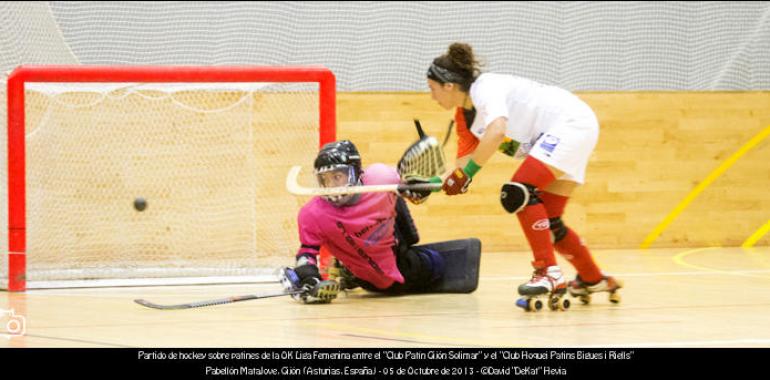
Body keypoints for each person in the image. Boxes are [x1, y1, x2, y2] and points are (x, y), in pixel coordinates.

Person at [425, 42, 622, 307]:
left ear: (448, 86)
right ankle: (592, 277)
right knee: (549, 219)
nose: (432, 96)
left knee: (518, 191)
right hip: (566, 131)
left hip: (570, 123)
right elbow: (461, 170)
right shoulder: (464, 119)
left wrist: (467, 174)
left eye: (432, 89)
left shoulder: (485, 87)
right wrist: (430, 186)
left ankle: (547, 273)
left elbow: (496, 131)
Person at [281, 140, 446, 304]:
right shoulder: (312, 214)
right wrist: (310, 278)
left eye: (337, 177)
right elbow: (306, 254)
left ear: (356, 172)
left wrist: (418, 190)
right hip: (369, 278)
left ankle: (349, 268)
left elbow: (418, 189)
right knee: (435, 264)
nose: (331, 185)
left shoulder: (381, 177)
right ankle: (349, 271)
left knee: (393, 197)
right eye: (325, 179)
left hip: (392, 246)